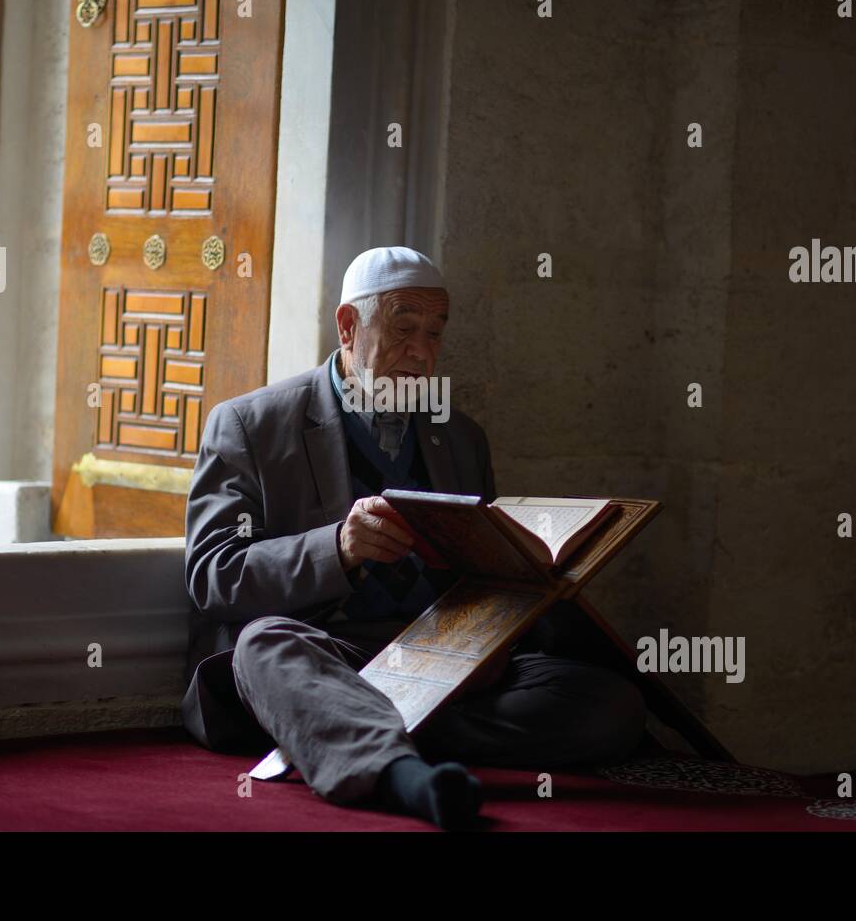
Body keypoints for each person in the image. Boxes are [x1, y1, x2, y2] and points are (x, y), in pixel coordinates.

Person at [180, 246, 646, 829]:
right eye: (403, 330)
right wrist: (338, 548)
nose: (421, 353)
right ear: (348, 326)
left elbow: (484, 571)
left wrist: (533, 579)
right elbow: (212, 578)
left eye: (434, 334)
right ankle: (403, 776)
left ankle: (350, 731)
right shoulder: (250, 424)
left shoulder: (462, 438)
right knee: (264, 645)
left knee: (609, 703)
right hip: (331, 651)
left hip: (443, 664)